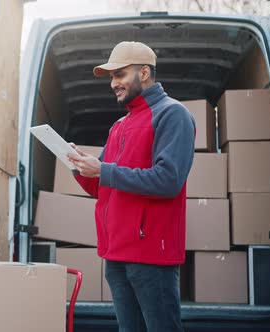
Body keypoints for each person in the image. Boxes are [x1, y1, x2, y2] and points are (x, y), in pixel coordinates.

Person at [67, 41, 195, 332]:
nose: (114, 84)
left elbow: (168, 181)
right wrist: (78, 166)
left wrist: (104, 170)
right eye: (112, 77)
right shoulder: (119, 126)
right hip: (116, 254)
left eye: (120, 75)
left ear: (145, 73)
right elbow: (103, 187)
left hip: (150, 254)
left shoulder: (173, 115)